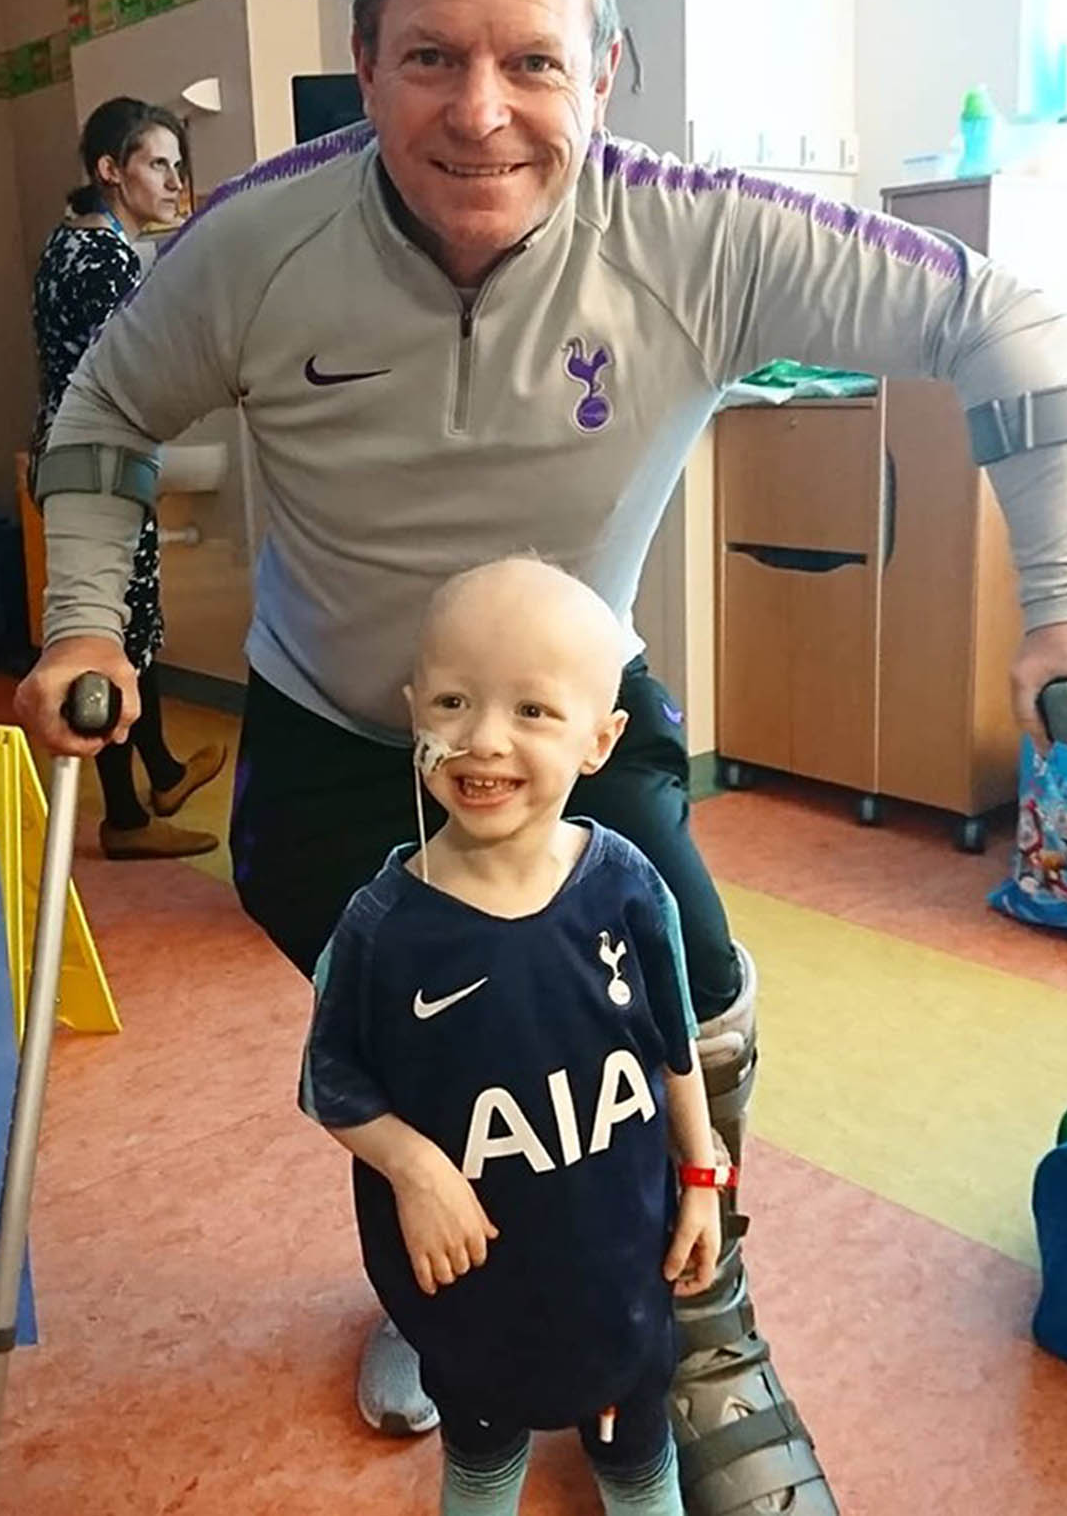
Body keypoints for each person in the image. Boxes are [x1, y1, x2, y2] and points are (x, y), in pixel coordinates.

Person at [15, 0, 1067, 1515]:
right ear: (368, 55)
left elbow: (1011, 322)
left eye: (532, 60)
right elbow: (99, 416)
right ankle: (442, 1297)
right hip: (337, 740)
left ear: (602, 72)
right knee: (412, 1034)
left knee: (682, 992)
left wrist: (1065, 593)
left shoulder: (690, 237)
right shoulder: (257, 237)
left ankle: (694, 1328)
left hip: (577, 726)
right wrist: (80, 626)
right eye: (430, 56)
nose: (480, 111)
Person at [301, 557, 722, 1516]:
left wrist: (700, 1177)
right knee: (482, 1461)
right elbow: (331, 1084)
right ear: (414, 711)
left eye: (532, 711)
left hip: (621, 1270)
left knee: (637, 1462)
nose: (481, 739)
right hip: (472, 1291)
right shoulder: (380, 927)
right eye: (452, 700)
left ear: (600, 739)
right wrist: (416, 1169)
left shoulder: (626, 886)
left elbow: (672, 1042)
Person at [29, 96, 224, 860]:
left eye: (180, 165)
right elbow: (137, 372)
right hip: (99, 467)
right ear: (111, 171)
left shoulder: (67, 245)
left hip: (80, 459)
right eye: (157, 164)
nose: (174, 181)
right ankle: (127, 821)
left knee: (130, 630)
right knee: (109, 639)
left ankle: (163, 774)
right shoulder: (104, 260)